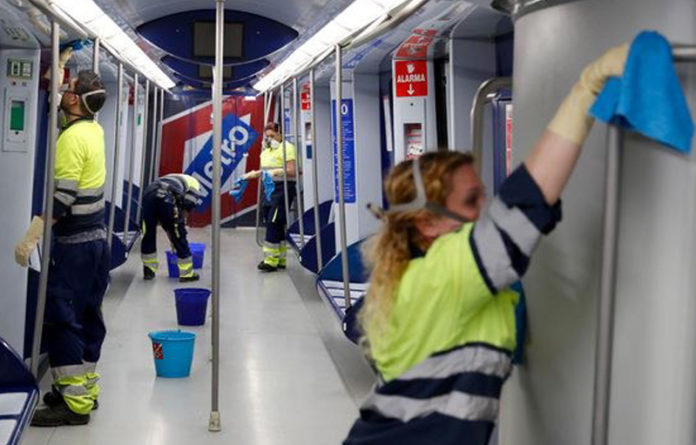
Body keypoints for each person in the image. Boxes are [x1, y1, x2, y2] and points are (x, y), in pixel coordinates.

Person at [343, 44, 628, 444]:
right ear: (427, 222)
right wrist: (587, 89)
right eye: (472, 201)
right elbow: (525, 203)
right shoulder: (441, 273)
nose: (486, 208)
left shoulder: (416, 277)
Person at [15, 70, 108, 426]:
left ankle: (73, 406)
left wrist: (33, 233)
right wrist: (58, 80)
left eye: (66, 90)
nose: (63, 93)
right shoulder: (93, 129)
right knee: (88, 315)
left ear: (74, 100)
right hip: (96, 240)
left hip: (75, 247)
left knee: (63, 317)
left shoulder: (71, 139)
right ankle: (83, 389)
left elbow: (63, 196)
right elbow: (66, 118)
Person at [243, 122, 297, 272]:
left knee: (274, 222)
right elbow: (265, 170)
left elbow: (294, 171)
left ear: (279, 134)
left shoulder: (287, 148)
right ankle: (280, 259)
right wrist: (254, 174)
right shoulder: (266, 151)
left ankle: (270, 261)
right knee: (273, 222)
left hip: (283, 189)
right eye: (267, 137)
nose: (269, 139)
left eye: (272, 136)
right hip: (268, 189)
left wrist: (279, 171)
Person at [140, 173, 202, 282]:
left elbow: (166, 220)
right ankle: (186, 274)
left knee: (148, 233)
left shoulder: (173, 177)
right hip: (166, 195)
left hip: (149, 194)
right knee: (178, 232)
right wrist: (177, 231)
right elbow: (187, 206)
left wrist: (170, 231)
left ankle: (148, 270)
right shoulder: (195, 185)